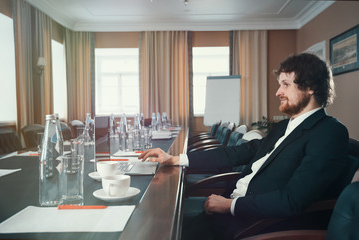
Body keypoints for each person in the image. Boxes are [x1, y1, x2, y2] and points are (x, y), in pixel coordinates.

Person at [139, 53, 349, 239]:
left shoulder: (329, 132)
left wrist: (229, 206)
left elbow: (292, 200)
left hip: (254, 224)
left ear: (310, 86)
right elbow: (239, 152)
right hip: (229, 208)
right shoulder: (285, 126)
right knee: (153, 224)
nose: (278, 92)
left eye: (286, 84)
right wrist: (176, 159)